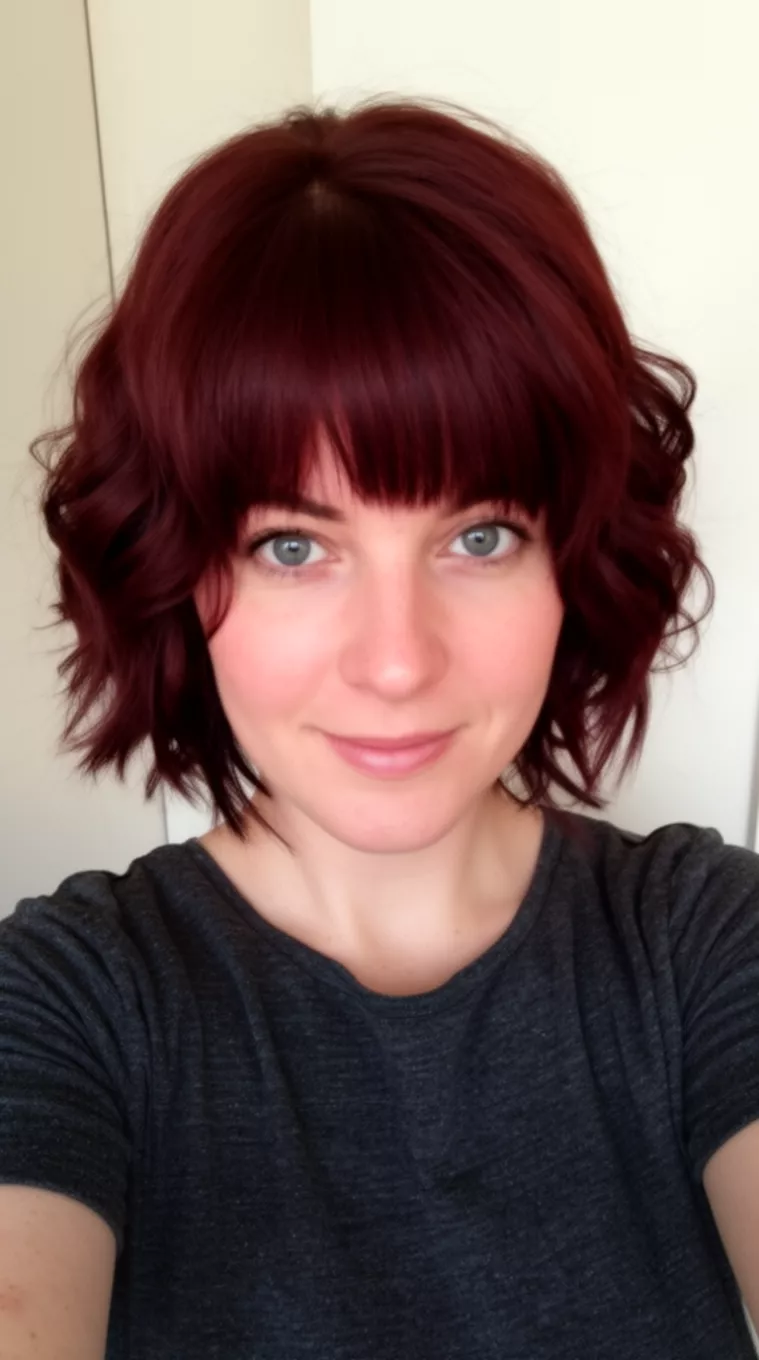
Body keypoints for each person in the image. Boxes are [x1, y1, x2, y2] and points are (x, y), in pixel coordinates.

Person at [1, 93, 758, 1360]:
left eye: (480, 535)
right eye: (294, 545)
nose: (398, 660)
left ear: (571, 559)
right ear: (182, 572)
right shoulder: (72, 1004)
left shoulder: (702, 945)